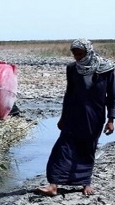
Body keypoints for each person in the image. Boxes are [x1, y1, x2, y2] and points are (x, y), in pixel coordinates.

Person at [36, 39, 115, 196]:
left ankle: (85, 183)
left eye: (80, 54)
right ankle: (53, 185)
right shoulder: (72, 69)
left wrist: (111, 119)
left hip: (94, 116)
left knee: (87, 148)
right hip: (73, 114)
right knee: (62, 147)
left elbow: (112, 96)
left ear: (88, 51)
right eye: (75, 54)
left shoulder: (106, 69)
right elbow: (69, 94)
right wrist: (63, 117)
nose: (78, 57)